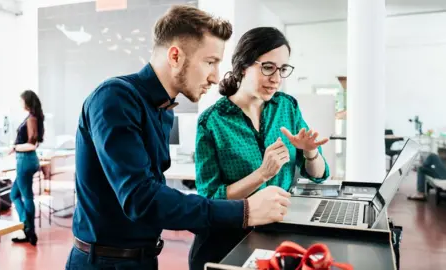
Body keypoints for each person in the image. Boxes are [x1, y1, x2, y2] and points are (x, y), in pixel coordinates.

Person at [65, 6, 291, 270]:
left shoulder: (163, 109)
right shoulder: (114, 98)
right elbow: (142, 199)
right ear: (175, 56)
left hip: (142, 258)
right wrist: (245, 211)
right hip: (104, 263)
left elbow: (154, 191)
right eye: (210, 62)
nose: (216, 77)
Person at [189, 27, 331, 270]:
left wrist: (310, 152)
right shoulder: (212, 121)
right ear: (243, 65)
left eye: (283, 69)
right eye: (268, 67)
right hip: (227, 242)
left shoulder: (287, 107)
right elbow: (211, 199)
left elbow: (319, 175)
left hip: (278, 235)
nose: (276, 78)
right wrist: (262, 174)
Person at [9, 90, 45, 246]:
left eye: (21, 100)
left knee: (26, 197)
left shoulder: (31, 119)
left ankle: (28, 228)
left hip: (25, 160)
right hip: (28, 160)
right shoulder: (33, 118)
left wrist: (15, 147)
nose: (20, 103)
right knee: (14, 194)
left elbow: (31, 144)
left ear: (27, 101)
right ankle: (27, 228)